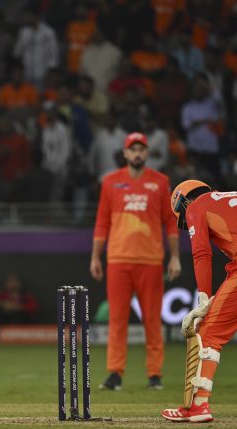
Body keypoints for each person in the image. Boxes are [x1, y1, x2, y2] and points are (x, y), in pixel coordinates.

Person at [162, 181, 237, 422]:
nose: (187, 223)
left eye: (184, 219)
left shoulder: (196, 206)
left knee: (207, 330)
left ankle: (196, 406)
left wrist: (203, 298)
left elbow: (201, 253)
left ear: (183, 202)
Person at [91, 132, 181, 391]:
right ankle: (115, 374)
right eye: (133, 149)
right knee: (117, 320)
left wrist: (174, 257)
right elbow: (101, 222)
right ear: (126, 153)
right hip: (118, 259)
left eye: (142, 149)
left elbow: (170, 222)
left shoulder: (161, 182)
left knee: (152, 320)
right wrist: (95, 257)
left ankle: (155, 374)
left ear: (147, 152)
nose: (138, 153)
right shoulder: (110, 182)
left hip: (150, 261)